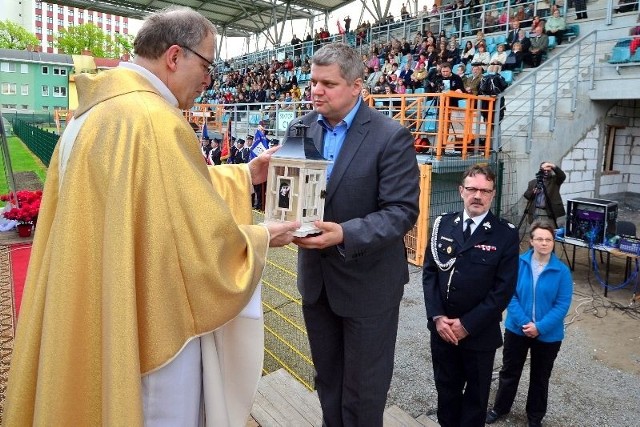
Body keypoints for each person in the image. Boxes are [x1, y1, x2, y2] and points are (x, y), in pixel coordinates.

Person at [3, 6, 300, 426]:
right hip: (146, 321)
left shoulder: (94, 109)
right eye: (207, 65)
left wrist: (247, 173)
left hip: (93, 295)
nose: (207, 80)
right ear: (175, 57)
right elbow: (194, 241)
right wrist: (261, 238)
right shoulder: (153, 121)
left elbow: (164, 195)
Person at [291, 42, 420, 426]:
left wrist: (343, 234)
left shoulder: (390, 136)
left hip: (369, 287)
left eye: (328, 84)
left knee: (364, 391)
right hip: (317, 282)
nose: (316, 91)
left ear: (356, 86)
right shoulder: (300, 128)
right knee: (328, 381)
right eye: (313, 82)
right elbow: (291, 193)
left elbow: (401, 212)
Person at [423, 164, 519, 427]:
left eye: (484, 191)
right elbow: (430, 273)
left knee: (476, 401)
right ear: (461, 190)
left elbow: (503, 289)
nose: (477, 195)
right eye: (472, 189)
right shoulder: (442, 224)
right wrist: (437, 317)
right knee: (447, 393)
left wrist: (467, 325)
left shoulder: (505, 234)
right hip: (442, 332)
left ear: (492, 195)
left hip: (479, 334)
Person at [486, 219, 573, 427]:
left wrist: (539, 327)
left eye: (548, 239)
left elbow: (562, 305)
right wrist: (526, 323)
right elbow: (510, 296)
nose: (544, 243)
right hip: (517, 329)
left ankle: (535, 417)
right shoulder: (517, 265)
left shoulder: (562, 272)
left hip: (548, 335)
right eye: (539, 239)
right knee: (509, 371)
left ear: (554, 242)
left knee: (540, 377)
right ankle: (500, 407)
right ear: (531, 241)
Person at [523, 161, 566, 226]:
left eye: (548, 170)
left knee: (549, 231)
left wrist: (551, 165)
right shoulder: (533, 182)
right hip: (535, 211)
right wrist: (533, 192)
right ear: (540, 170)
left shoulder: (555, 180)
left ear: (551, 170)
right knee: (535, 230)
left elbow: (562, 176)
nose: (546, 172)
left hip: (549, 212)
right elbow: (526, 195)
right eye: (544, 170)